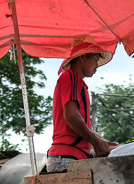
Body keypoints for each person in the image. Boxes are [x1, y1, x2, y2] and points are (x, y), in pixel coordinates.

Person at [47, 34, 118, 174]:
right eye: (95, 59)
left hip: (72, 156)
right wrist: (97, 143)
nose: (97, 65)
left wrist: (103, 142)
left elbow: (80, 123)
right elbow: (71, 116)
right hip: (67, 156)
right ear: (83, 57)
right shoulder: (71, 76)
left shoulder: (78, 83)